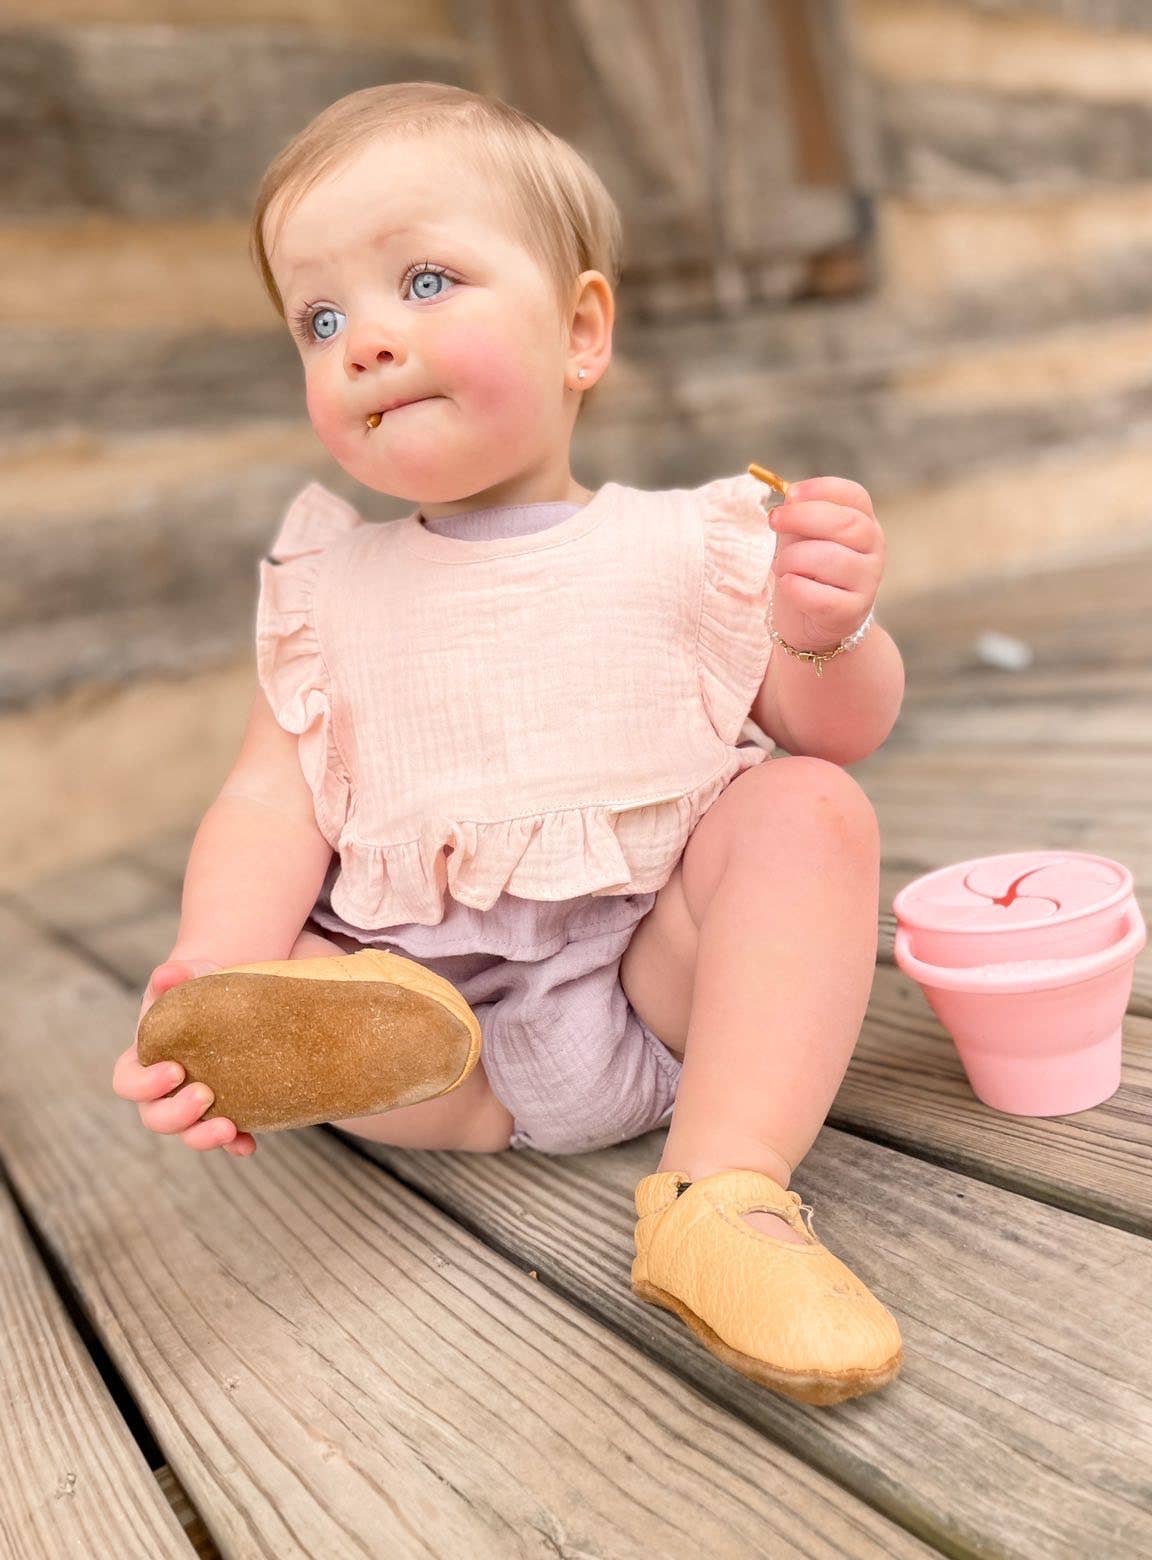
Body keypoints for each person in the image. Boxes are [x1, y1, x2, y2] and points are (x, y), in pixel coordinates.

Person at [112, 82, 906, 1405]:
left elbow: (837, 729)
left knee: (806, 809)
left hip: (662, 1001)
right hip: (433, 1048)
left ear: (580, 330)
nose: (364, 339)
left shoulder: (694, 544)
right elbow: (269, 798)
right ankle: (301, 1024)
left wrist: (826, 629)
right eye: (321, 318)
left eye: (424, 279)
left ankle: (724, 1191)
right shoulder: (326, 586)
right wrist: (214, 974)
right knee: (315, 982)